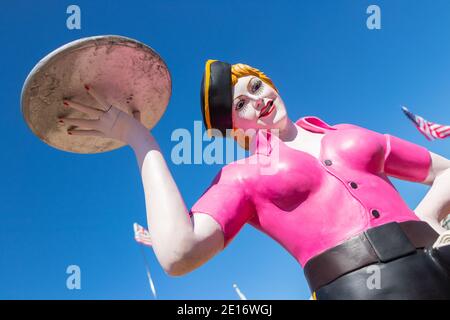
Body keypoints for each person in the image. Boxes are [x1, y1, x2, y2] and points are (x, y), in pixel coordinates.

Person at [59, 60, 450, 299]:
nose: (256, 100)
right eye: (240, 106)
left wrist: (424, 221)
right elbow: (179, 252)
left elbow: (444, 171)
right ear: (234, 129)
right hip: (357, 289)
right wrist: (139, 139)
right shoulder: (241, 176)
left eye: (255, 86)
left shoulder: (348, 132)